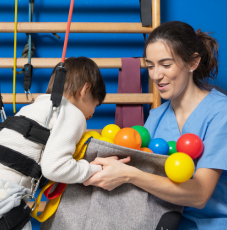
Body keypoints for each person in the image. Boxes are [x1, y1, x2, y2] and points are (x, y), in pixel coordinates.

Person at [83, 21, 227, 229]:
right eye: (150, 66)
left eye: (166, 65)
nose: (156, 75)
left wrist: (129, 175)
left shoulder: (220, 112)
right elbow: (141, 172)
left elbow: (200, 195)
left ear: (193, 63)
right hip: (163, 222)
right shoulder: (157, 116)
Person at [0, 57, 106, 230]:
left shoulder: (33, 107)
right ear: (85, 90)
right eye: (96, 104)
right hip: (4, 196)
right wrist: (93, 169)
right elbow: (55, 168)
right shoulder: (72, 113)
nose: (91, 114)